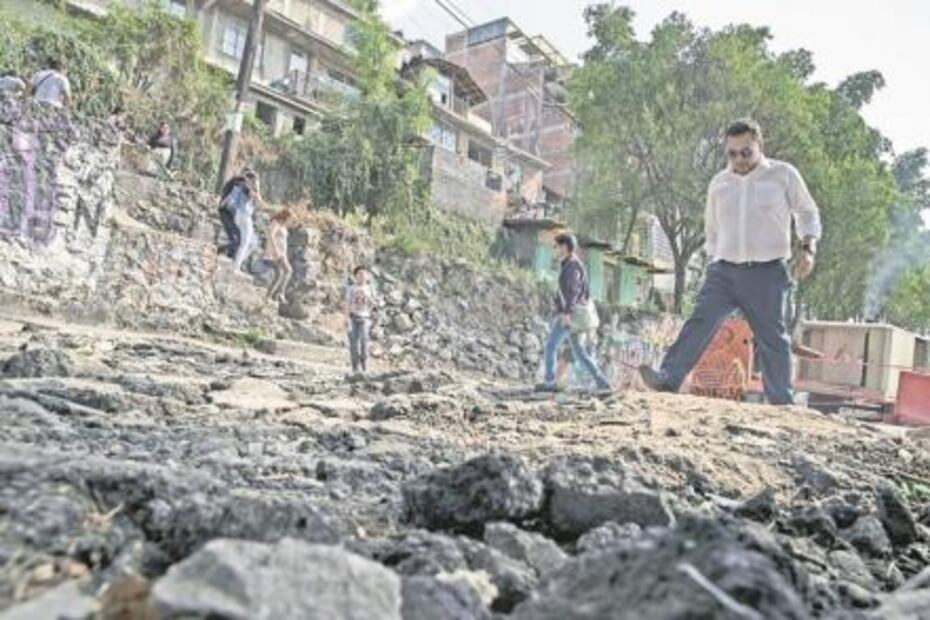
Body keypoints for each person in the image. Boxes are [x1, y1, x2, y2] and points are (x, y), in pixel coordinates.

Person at [639, 119, 822, 405]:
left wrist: (808, 247)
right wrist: (713, 262)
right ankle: (668, 378)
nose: (739, 159)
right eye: (732, 153)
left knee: (772, 337)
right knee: (699, 322)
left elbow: (807, 212)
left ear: (760, 145)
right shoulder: (719, 183)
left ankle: (781, 402)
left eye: (746, 152)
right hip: (723, 271)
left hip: (767, 272)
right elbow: (712, 228)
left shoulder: (783, 175)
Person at [537, 234, 612, 392]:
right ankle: (603, 383)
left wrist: (566, 313)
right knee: (580, 354)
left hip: (572, 315)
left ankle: (550, 383)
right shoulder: (569, 264)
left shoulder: (571, 266)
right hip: (576, 315)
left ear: (564, 247)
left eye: (556, 246)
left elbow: (573, 291)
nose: (554, 250)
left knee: (551, 345)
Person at [217, 168, 261, 271]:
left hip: (235, 214)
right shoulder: (244, 185)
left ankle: (233, 260)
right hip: (239, 215)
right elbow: (258, 199)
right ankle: (232, 262)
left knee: (250, 242)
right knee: (241, 242)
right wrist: (257, 187)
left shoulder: (239, 183)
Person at [345, 266, 377, 374]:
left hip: (365, 318)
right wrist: (346, 319)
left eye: (364, 274)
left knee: (364, 341)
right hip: (353, 317)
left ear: (367, 276)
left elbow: (375, 304)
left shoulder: (370, 289)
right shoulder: (351, 288)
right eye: (359, 274)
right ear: (355, 276)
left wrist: (370, 300)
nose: (362, 276)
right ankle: (355, 368)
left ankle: (364, 366)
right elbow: (347, 304)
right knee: (354, 343)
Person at [264, 208, 294, 303]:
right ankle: (280, 293)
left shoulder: (283, 226)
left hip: (282, 253)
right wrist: (275, 249)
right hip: (275, 253)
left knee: (279, 274)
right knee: (288, 270)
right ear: (286, 217)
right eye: (290, 219)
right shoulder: (276, 223)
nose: (291, 221)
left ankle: (268, 296)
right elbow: (270, 235)